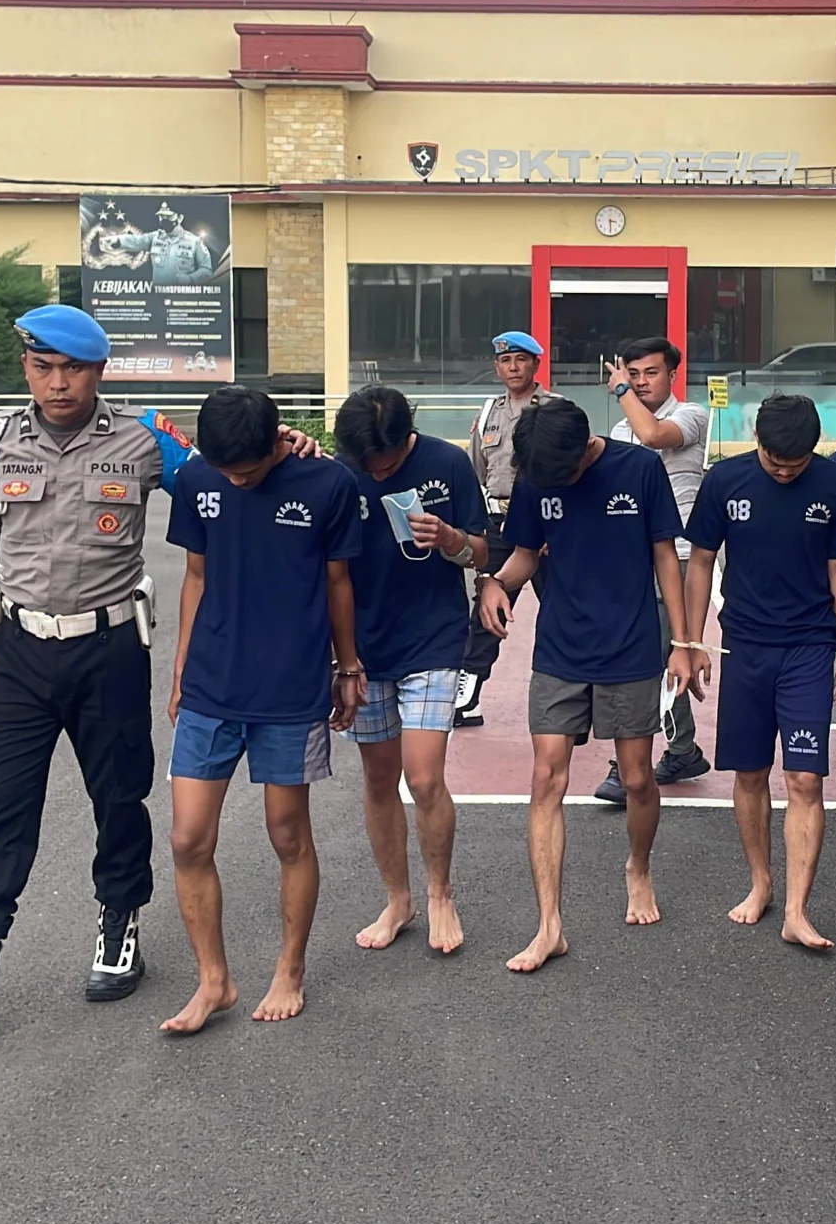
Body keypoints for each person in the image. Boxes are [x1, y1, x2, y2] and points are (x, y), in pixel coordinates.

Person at [0, 303, 198, 1036]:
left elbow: (224, 485)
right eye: (44, 367)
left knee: (120, 799)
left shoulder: (143, 438)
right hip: (19, 648)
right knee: (1, 806)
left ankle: (120, 928)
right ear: (26, 367)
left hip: (110, 647)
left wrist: (286, 450)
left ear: (99, 370)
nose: (59, 384)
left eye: (75, 369)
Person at [160, 385, 365, 1029]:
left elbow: (338, 582)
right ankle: (213, 981)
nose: (235, 479)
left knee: (287, 833)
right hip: (211, 686)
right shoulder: (198, 478)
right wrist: (180, 668)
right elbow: (197, 575)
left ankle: (289, 968)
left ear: (278, 441)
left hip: (290, 689)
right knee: (188, 838)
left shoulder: (327, 483)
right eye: (225, 469)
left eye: (245, 470)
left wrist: (348, 665)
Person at [476, 399, 688, 973]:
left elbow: (665, 556)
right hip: (560, 650)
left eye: (566, 475)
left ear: (587, 445)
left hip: (631, 647)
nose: (559, 483)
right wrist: (495, 583)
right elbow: (523, 554)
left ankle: (638, 869)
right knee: (547, 777)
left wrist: (685, 642)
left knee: (639, 777)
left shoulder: (639, 469)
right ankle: (549, 925)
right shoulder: (536, 473)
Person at [674, 393, 836, 951]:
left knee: (805, 779)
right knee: (750, 774)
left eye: (795, 464)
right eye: (775, 461)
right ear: (757, 442)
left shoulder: (834, 484)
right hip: (744, 648)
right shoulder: (725, 481)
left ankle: (798, 910)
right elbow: (702, 559)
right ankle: (760, 884)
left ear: (814, 450)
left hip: (809, 647)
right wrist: (689, 640)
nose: (784, 471)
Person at [333, 385, 488, 955]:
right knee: (378, 779)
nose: (376, 471)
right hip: (362, 650)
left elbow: (482, 552)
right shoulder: (339, 472)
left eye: (388, 462)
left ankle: (439, 894)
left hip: (432, 637)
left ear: (407, 437)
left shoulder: (448, 463)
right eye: (366, 463)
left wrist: (450, 539)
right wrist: (338, 658)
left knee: (422, 778)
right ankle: (397, 899)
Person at [596, 335, 712, 802]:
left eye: (650, 373)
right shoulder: (622, 428)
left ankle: (627, 765)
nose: (641, 383)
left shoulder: (691, 416)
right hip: (633, 562)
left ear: (671, 375)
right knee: (652, 658)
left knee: (655, 659)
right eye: (634, 373)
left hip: (679, 560)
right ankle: (681, 747)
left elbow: (652, 436)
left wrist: (622, 392)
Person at [456, 330, 558, 726]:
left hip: (548, 521)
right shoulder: (488, 413)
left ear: (535, 364)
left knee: (560, 605)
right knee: (487, 601)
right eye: (505, 361)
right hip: (500, 520)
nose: (513, 367)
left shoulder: (554, 408)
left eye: (521, 360)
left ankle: (567, 689)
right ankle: (470, 694)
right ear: (497, 366)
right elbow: (477, 471)